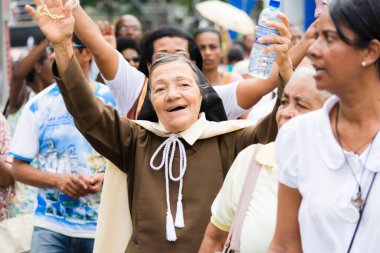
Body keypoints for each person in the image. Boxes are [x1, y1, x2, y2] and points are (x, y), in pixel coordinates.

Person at [24, 1, 293, 251]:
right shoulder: (135, 140)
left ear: (202, 95)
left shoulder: (230, 140)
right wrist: (62, 46)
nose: (172, 94)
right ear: (151, 100)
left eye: (184, 85)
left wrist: (284, 68)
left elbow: (281, 125)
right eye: (160, 88)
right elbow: (87, 113)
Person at [269, 0, 380, 252]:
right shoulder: (297, 135)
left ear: (370, 51)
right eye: (316, 37)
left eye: (329, 39)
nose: (313, 50)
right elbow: (285, 244)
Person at [198, 67, 330, 253]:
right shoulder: (252, 160)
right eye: (284, 102)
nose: (286, 112)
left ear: (332, 114)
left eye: (301, 105)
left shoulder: (347, 172)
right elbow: (215, 239)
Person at [10, 34, 119, 253]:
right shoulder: (38, 105)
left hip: (103, 227)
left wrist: (105, 179)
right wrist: (57, 180)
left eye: (62, 48)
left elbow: (136, 160)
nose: (52, 55)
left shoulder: (113, 102)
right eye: (52, 49)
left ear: (87, 53)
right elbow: (18, 168)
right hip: (49, 228)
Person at [5, 38, 55, 134]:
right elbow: (17, 76)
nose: (56, 67)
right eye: (51, 61)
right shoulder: (23, 96)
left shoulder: (55, 97)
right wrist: (48, 40)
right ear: (38, 66)